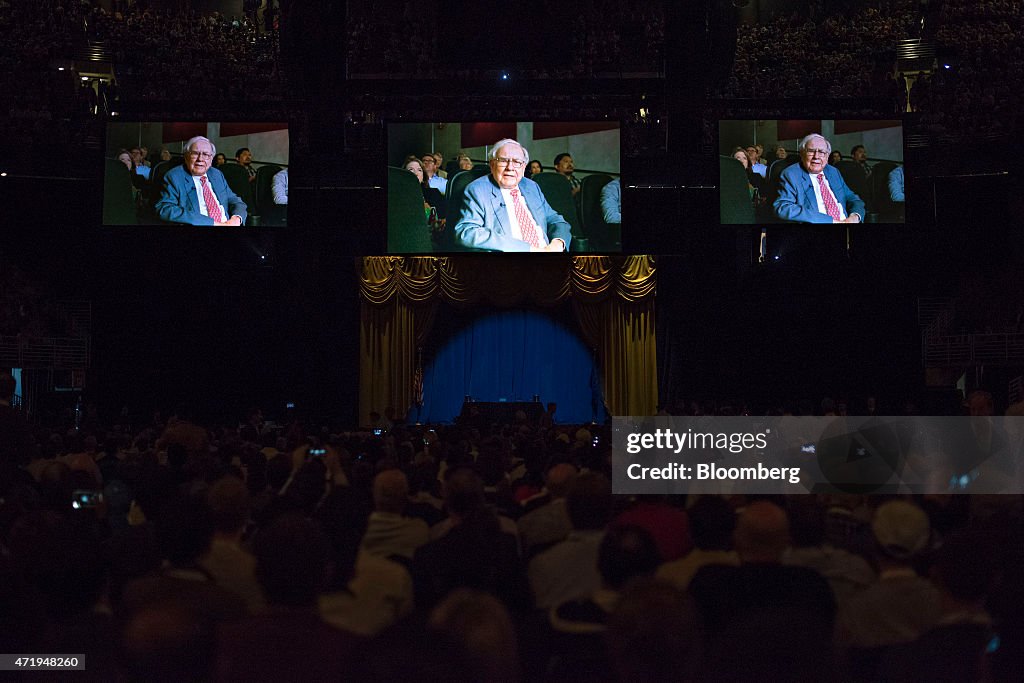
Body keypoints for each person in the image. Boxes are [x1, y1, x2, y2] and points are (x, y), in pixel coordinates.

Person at [452, 138, 571, 252]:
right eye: (503, 160)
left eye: (517, 162)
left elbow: (556, 220)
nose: (510, 167)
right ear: (492, 164)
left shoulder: (531, 186)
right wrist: (528, 249)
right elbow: (466, 231)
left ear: (523, 167)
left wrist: (558, 243)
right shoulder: (477, 189)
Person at [155, 136, 247, 226]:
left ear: (211, 159)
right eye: (195, 153)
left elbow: (235, 200)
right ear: (186, 156)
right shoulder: (174, 176)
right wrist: (211, 223)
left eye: (206, 154)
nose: (200, 159)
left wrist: (237, 218)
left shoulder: (217, 174)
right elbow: (164, 208)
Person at [773, 133, 864, 224]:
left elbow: (853, 198)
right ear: (802, 154)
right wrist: (829, 221)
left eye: (821, 152)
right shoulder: (791, 174)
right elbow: (782, 207)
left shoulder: (833, 172)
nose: (816, 156)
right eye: (811, 151)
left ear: (827, 156)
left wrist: (855, 216)